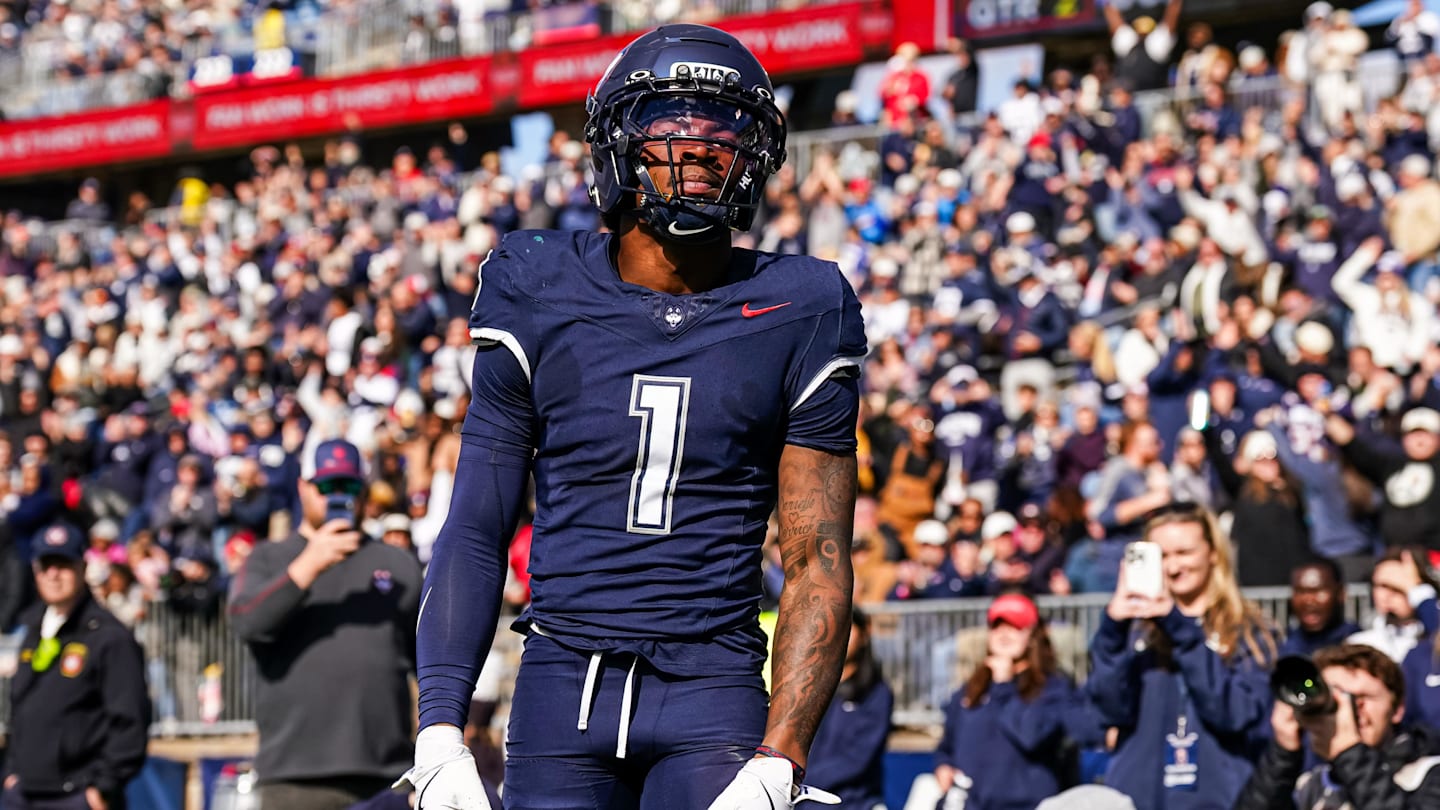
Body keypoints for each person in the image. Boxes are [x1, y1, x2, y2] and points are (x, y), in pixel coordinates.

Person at [400, 24, 865, 810]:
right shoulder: (536, 282)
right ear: (617, 145)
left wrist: (782, 756)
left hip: (714, 682)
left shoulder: (804, 306)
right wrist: (440, 726)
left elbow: (818, 555)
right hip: (561, 676)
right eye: (673, 126)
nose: (702, 150)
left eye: (724, 132)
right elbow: (477, 521)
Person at [228, 439, 424, 810]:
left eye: (348, 486)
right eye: (326, 486)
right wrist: (308, 565)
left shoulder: (398, 565)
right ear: (303, 488)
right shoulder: (269, 557)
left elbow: (427, 665)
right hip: (294, 776)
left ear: (363, 492)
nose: (337, 496)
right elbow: (245, 622)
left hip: (386, 774)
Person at [1086, 503, 1277, 810]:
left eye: (1184, 553)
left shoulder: (1248, 629)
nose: (1173, 567)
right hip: (1137, 800)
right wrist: (1113, 628)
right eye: (1161, 556)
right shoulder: (1136, 630)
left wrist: (1179, 627)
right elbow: (1109, 712)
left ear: (1213, 553)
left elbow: (1234, 714)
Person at [4, 522, 149, 810]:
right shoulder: (32, 630)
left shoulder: (108, 636)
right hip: (24, 794)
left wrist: (103, 787)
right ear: (36, 572)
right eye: (46, 565)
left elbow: (130, 720)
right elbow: (20, 712)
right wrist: (10, 773)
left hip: (76, 796)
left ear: (82, 569)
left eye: (63, 564)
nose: (54, 574)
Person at [1234, 644, 1440, 809]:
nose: (1350, 710)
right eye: (1335, 698)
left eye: (1362, 698)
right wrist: (1283, 755)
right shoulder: (1311, 785)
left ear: (1398, 710)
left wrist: (1349, 752)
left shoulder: (1428, 775)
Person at [932, 593, 1082, 810]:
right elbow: (947, 744)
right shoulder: (972, 688)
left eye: (1014, 627)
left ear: (1032, 636)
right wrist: (942, 765)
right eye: (997, 627)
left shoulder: (1054, 688)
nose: (1003, 635)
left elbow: (1031, 735)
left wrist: (1004, 685)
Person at [805, 610, 892, 809]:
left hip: (853, 801)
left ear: (864, 635)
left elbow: (858, 758)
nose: (841, 636)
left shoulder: (876, 692)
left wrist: (807, 778)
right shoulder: (814, 687)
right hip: (804, 800)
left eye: (848, 629)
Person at [1280, 559, 1361, 658]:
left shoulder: (1358, 644)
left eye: (1318, 591)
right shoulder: (1279, 645)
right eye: (1300, 591)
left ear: (1341, 593)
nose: (1308, 600)